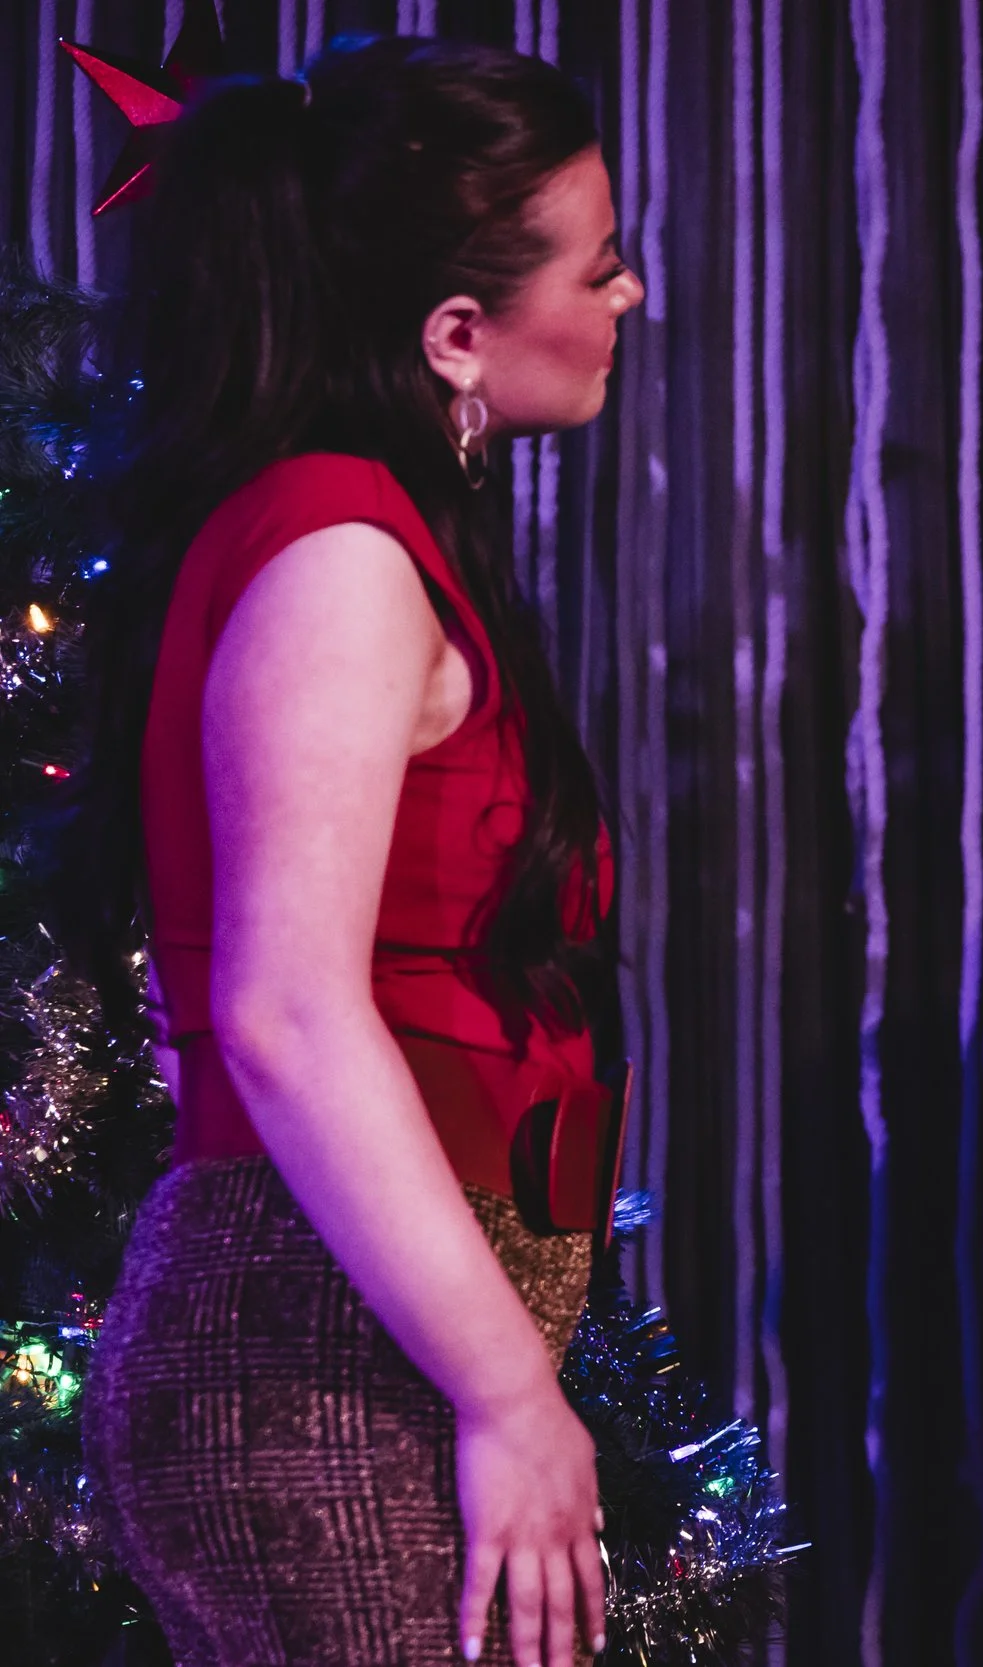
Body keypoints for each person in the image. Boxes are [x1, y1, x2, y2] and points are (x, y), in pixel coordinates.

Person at [68, 37, 644, 1667]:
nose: (630, 295)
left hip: (351, 1336)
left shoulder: (352, 529)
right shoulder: (336, 551)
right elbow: (287, 1009)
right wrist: (508, 1390)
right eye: (598, 266)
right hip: (320, 1354)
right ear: (457, 333)